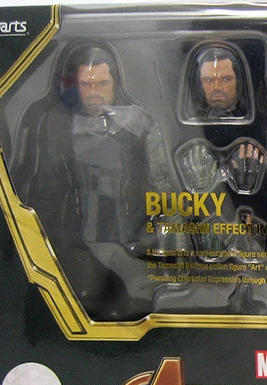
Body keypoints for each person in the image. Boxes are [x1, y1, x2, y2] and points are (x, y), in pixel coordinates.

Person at [15, 43, 173, 320]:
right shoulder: (57, 124)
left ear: (115, 83)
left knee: (138, 306)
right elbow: (46, 187)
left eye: (102, 83)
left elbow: (162, 184)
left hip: (133, 242)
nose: (94, 91)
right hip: (80, 243)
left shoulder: (140, 123)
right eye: (86, 84)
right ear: (76, 86)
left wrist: (166, 240)